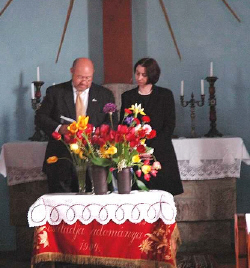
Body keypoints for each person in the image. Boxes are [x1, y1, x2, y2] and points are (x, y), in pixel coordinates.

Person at [35, 57, 118, 193]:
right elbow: (40, 117)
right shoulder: (55, 92)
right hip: (62, 161)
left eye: (88, 78)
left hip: (94, 162)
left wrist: (96, 133)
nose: (84, 82)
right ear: (71, 71)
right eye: (80, 77)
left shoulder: (104, 95)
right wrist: (60, 128)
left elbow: (112, 122)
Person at [120, 58, 183, 196]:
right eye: (137, 73)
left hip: (161, 153)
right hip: (136, 155)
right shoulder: (127, 96)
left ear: (152, 75)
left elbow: (169, 126)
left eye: (143, 75)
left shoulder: (165, 95)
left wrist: (151, 148)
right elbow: (124, 125)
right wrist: (137, 148)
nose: (139, 78)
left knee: (163, 195)